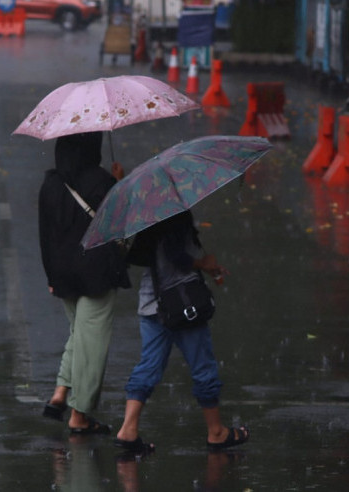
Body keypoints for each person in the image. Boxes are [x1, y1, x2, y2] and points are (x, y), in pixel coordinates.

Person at [114, 210, 249, 453]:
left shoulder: (146, 215)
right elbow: (175, 257)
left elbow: (150, 256)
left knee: (149, 365)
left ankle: (128, 429)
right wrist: (202, 264)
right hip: (182, 304)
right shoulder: (173, 212)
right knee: (203, 366)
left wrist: (205, 266)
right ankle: (216, 431)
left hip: (152, 302)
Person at [38, 131, 130, 434]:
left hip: (64, 273)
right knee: (93, 343)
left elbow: (45, 236)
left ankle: (60, 393)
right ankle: (80, 414)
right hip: (96, 271)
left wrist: (51, 276)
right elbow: (120, 226)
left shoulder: (50, 184)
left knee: (80, 333)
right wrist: (118, 183)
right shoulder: (101, 181)